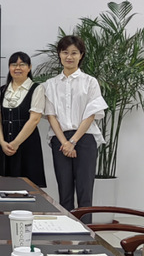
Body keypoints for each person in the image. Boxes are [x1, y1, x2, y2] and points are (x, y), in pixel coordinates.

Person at [44, 35, 108, 216]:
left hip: (85, 139)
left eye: (74, 53)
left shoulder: (90, 81)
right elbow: (51, 116)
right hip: (60, 140)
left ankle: (86, 231)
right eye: (65, 52)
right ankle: (66, 230)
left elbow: (91, 114)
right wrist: (65, 142)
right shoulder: (50, 84)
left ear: (81, 55)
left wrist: (73, 141)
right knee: (64, 192)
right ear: (59, 54)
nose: (69, 57)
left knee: (85, 192)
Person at [0, 52, 47, 187]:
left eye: (22, 64)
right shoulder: (2, 90)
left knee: (28, 187)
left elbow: (34, 120)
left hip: (27, 145)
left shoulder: (37, 88)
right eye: (13, 64)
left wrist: (16, 143)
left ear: (29, 68)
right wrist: (2, 142)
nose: (17, 68)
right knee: (3, 185)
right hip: (5, 145)